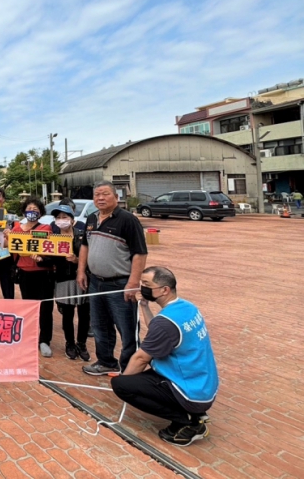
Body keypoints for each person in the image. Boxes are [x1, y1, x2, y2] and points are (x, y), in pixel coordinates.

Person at [111, 267, 218, 446]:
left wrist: (125, 384)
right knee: (139, 378)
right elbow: (157, 328)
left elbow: (140, 359)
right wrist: (144, 306)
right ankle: (191, 413)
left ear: (164, 290)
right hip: (203, 385)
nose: (141, 288)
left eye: (146, 284)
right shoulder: (186, 307)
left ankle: (188, 420)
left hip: (191, 392)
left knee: (121, 385)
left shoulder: (166, 323)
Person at [78, 181, 148, 376]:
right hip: (96, 282)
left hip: (120, 284)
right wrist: (81, 271)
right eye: (97, 195)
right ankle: (106, 361)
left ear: (116, 197)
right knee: (100, 326)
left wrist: (133, 283)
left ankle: (130, 370)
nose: (100, 198)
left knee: (127, 329)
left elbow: (140, 253)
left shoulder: (127, 220)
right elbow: (85, 246)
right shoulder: (92, 219)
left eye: (105, 194)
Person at [43, 204, 90, 361]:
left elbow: (92, 259)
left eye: (65, 217)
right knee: (67, 314)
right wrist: (39, 259)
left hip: (82, 279)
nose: (61, 220)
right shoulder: (53, 238)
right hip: (63, 280)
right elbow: (48, 259)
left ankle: (81, 344)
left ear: (72, 219)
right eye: (58, 217)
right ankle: (69, 343)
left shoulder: (83, 236)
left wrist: (77, 261)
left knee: (84, 314)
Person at [11, 197, 56, 357]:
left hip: (43, 274)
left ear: (41, 213)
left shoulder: (46, 229)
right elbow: (9, 250)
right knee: (28, 307)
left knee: (45, 308)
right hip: (24, 273)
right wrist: (0, 236)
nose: (32, 212)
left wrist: (42, 258)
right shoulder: (16, 229)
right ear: (24, 211)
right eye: (29, 209)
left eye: (36, 210)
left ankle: (44, 340)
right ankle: (29, 337)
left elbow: (53, 251)